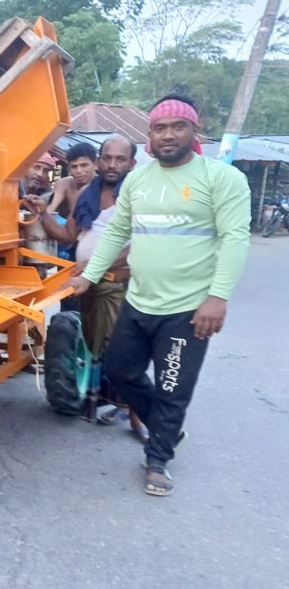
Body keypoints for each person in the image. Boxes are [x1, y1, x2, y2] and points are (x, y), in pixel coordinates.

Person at [63, 94, 251, 497]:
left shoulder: (221, 178)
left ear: (193, 131)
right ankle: (166, 427)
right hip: (138, 300)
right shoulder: (140, 180)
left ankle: (158, 458)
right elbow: (116, 232)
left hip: (188, 309)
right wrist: (90, 276)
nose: (168, 135)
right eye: (160, 128)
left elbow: (235, 239)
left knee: (172, 386)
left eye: (177, 127)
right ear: (149, 135)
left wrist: (217, 298)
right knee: (119, 370)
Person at [26, 136, 147, 440]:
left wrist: (94, 267)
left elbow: (140, 246)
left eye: (120, 159)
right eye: (107, 158)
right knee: (95, 346)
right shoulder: (84, 196)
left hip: (118, 283)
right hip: (87, 285)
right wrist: (42, 214)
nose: (111, 164)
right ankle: (107, 402)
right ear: (99, 160)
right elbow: (68, 236)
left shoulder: (138, 196)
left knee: (123, 350)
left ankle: (137, 413)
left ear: (131, 164)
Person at [19, 152, 58, 275]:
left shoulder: (38, 195)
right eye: (36, 167)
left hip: (33, 257)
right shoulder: (9, 189)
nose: (41, 174)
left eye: (46, 171)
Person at [49, 142, 98, 218]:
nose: (79, 171)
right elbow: (50, 209)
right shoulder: (65, 184)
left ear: (95, 165)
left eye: (84, 165)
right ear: (69, 168)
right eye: (74, 167)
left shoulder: (103, 187)